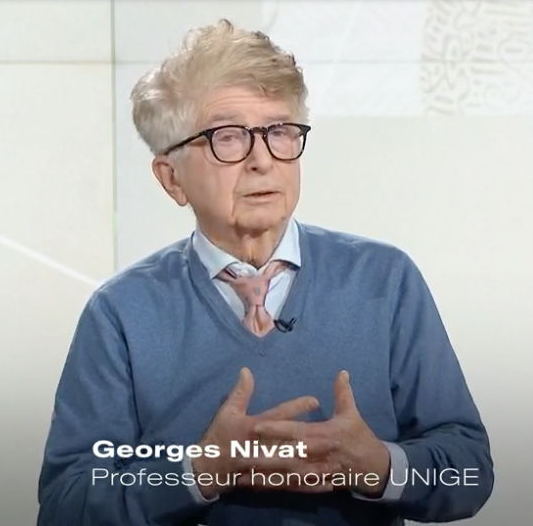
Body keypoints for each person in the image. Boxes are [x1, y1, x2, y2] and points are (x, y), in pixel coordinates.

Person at [38, 19, 493, 526]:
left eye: (279, 132)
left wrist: (378, 466)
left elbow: (469, 472)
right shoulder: (122, 312)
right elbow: (66, 505)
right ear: (172, 178)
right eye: (228, 137)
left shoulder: (385, 281)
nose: (262, 160)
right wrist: (199, 473)